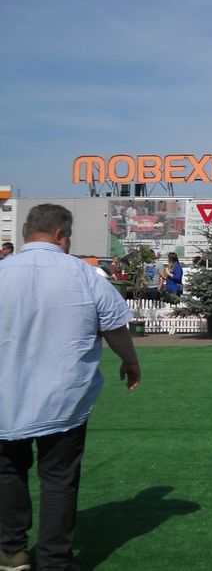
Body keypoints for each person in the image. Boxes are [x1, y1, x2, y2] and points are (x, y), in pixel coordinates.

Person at [0, 204, 141, 571]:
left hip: (4, 395)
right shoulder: (85, 274)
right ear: (62, 235)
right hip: (63, 398)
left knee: (7, 473)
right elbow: (114, 326)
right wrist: (130, 361)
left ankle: (12, 550)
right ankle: (53, 560)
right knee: (59, 479)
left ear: (26, 232)